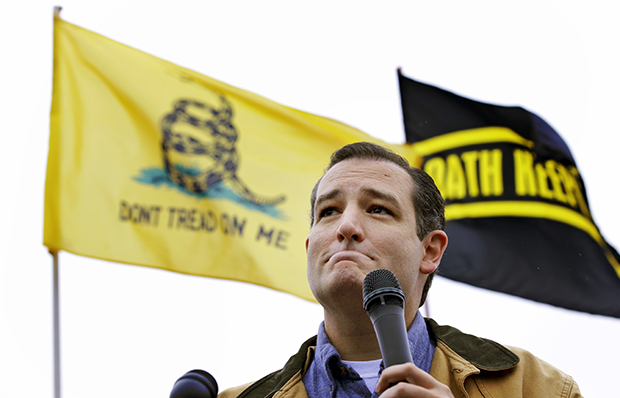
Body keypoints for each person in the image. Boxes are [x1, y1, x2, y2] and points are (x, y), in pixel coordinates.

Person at [219, 142, 581, 398]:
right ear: (310, 247)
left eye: (377, 209)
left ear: (430, 251)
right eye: (328, 211)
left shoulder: (531, 386)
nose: (346, 226)